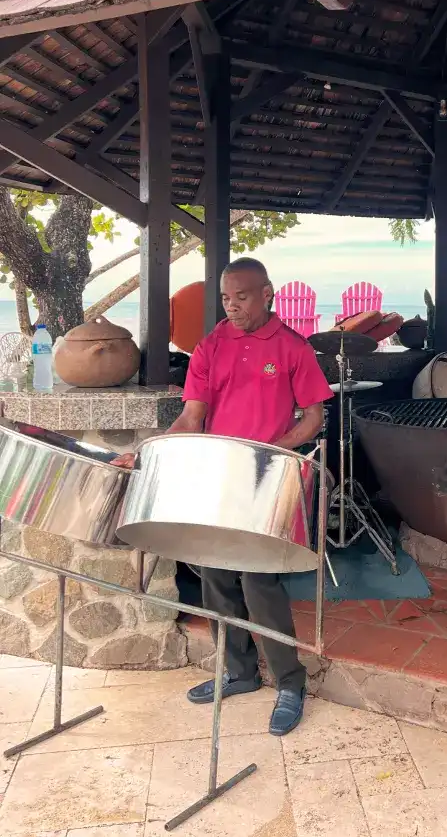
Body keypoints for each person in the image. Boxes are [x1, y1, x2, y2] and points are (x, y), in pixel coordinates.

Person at [113, 257, 332, 737]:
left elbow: (313, 418)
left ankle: (290, 683)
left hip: (260, 480)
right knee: (215, 577)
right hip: (216, 479)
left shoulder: (294, 348)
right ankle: (238, 671)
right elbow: (193, 417)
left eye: (243, 297)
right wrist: (147, 451)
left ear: (268, 293)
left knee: (260, 586)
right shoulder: (210, 346)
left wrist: (272, 452)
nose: (232, 307)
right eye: (226, 298)